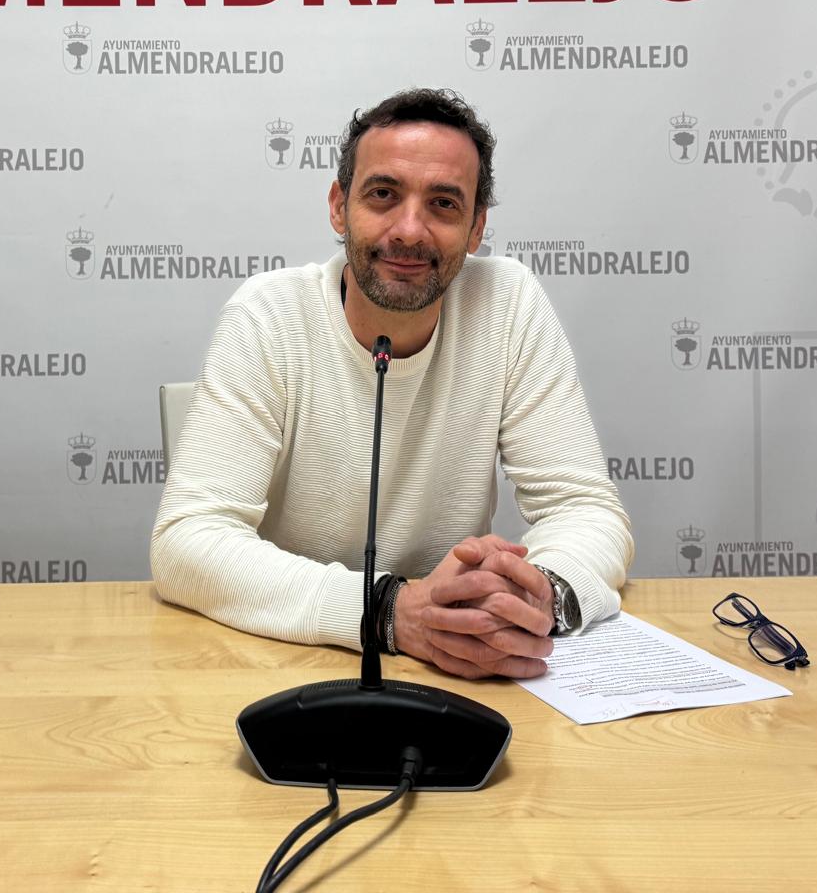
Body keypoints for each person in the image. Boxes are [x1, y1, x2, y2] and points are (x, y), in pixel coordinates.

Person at [151, 88, 632, 680]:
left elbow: (587, 511)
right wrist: (387, 611)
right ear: (339, 207)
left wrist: (535, 596)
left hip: (458, 664)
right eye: (383, 194)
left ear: (477, 228)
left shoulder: (508, 304)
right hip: (288, 660)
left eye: (444, 204)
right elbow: (186, 541)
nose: (409, 230)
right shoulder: (269, 315)